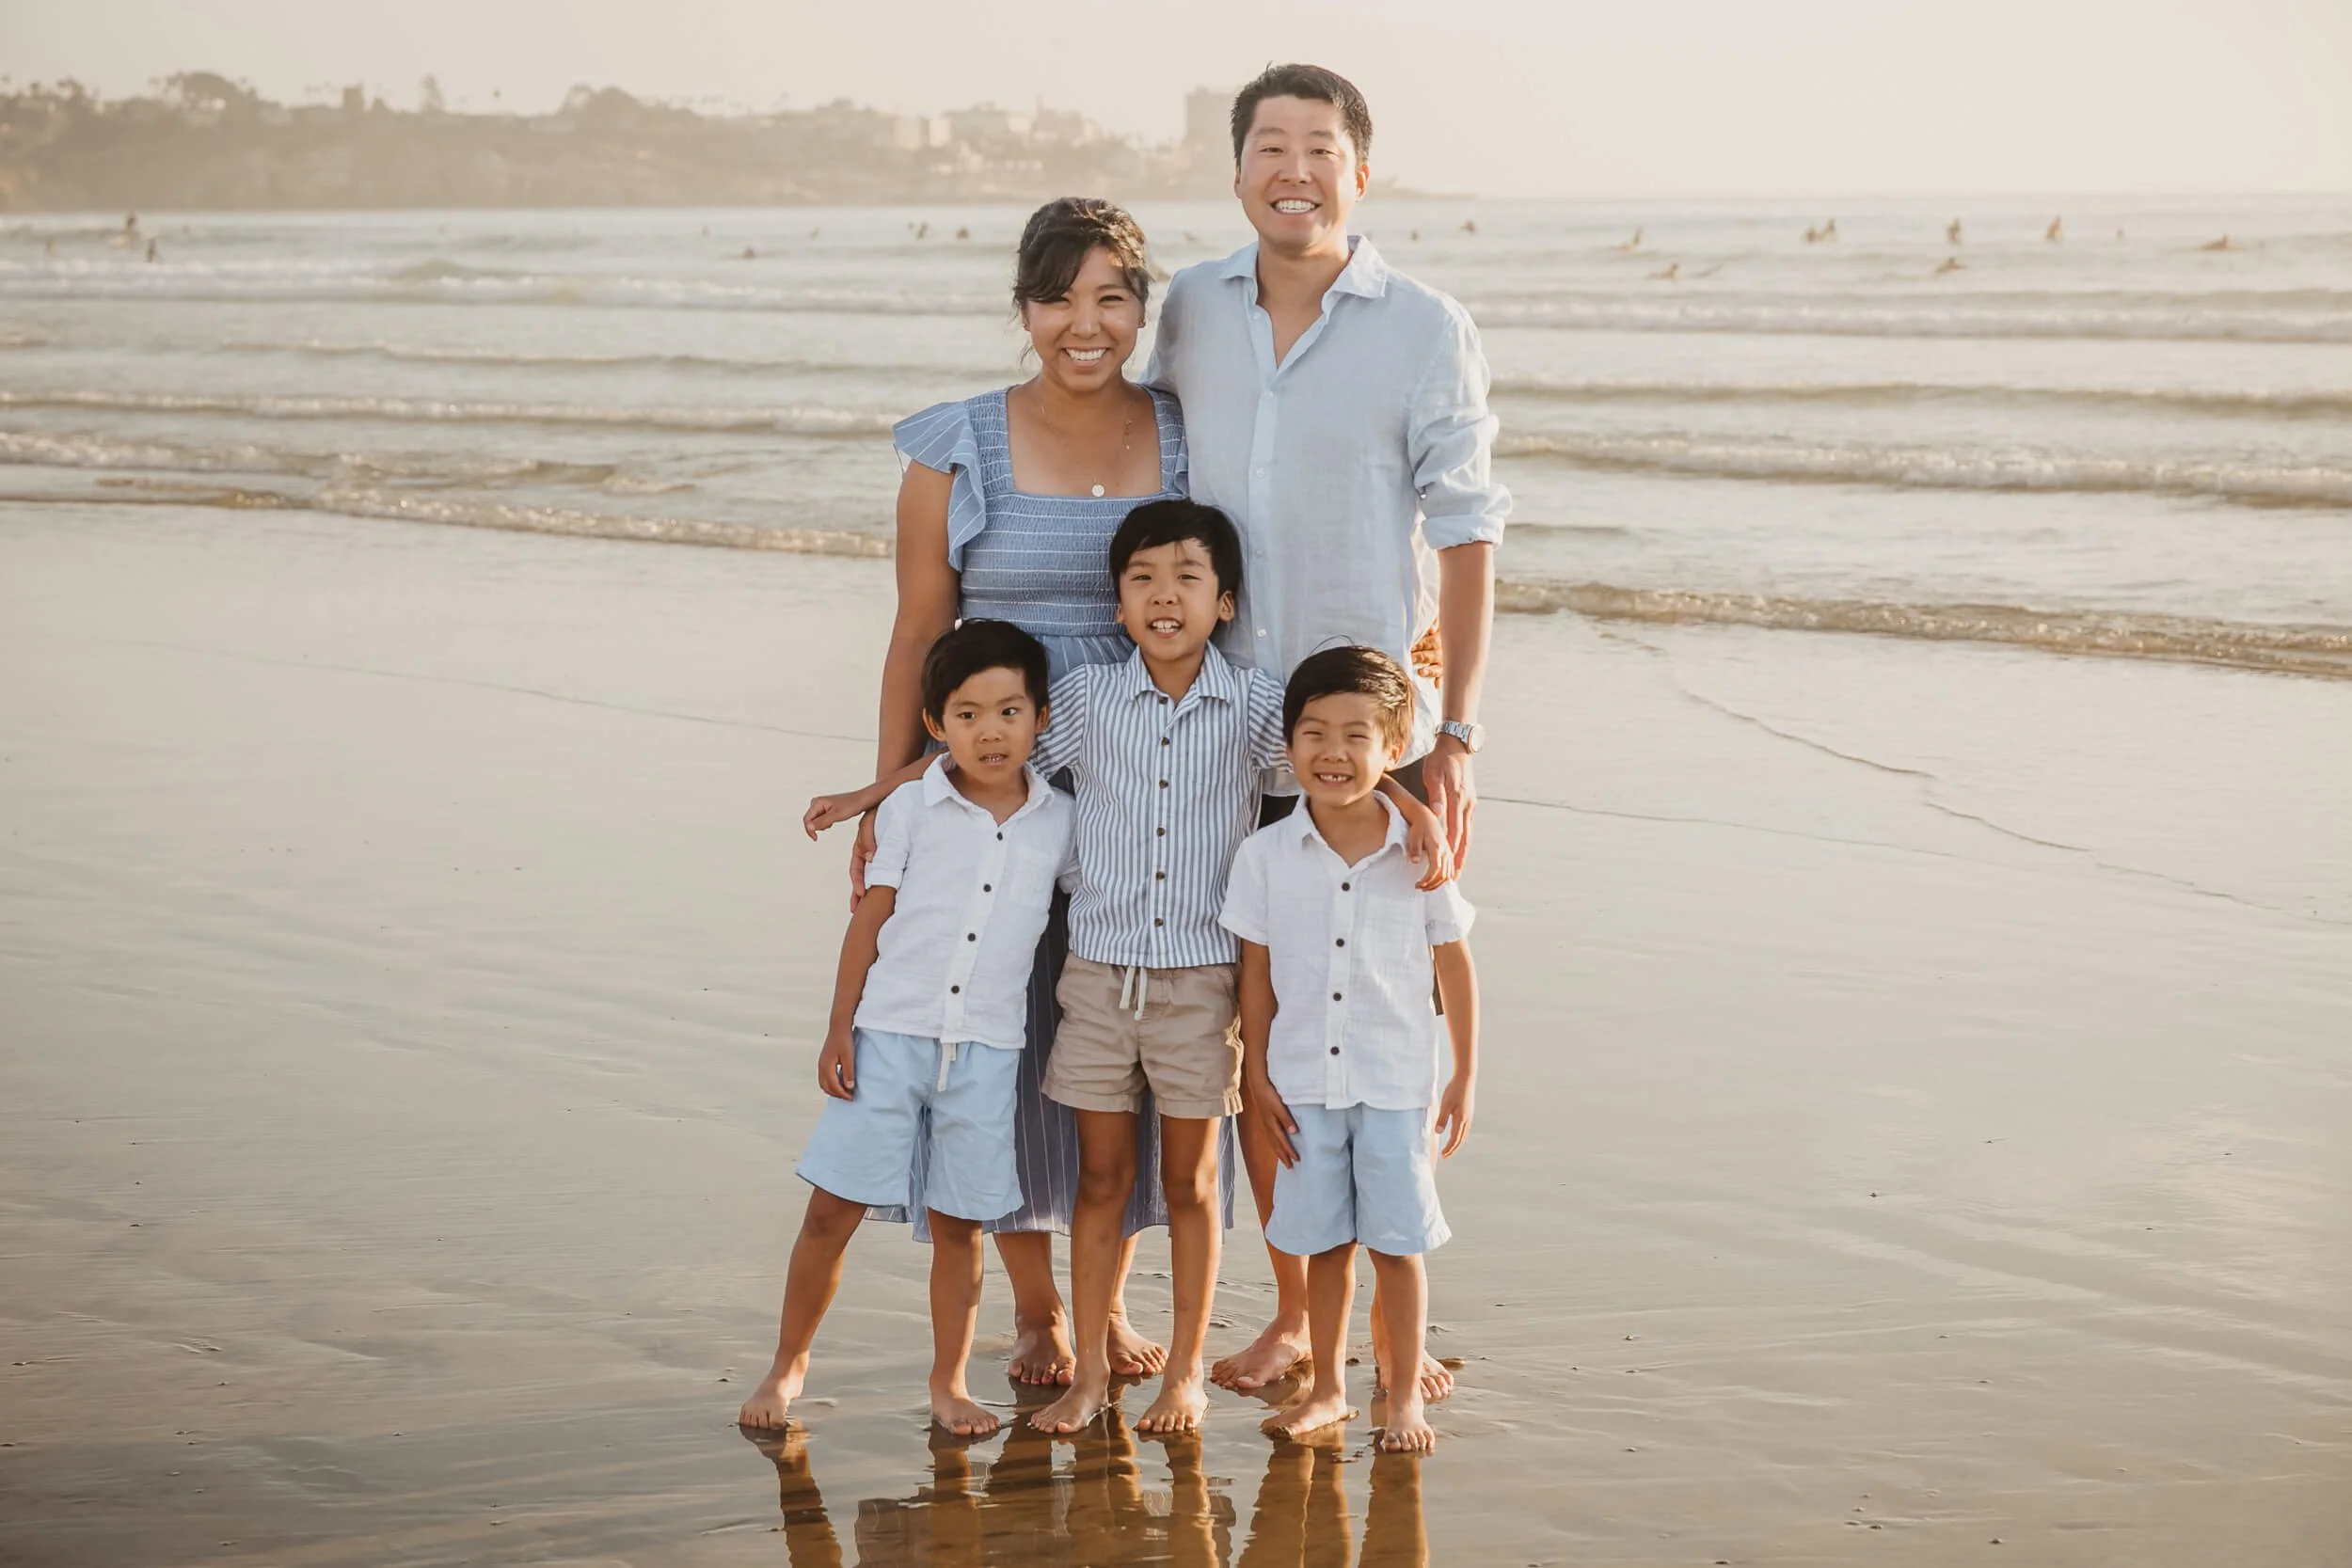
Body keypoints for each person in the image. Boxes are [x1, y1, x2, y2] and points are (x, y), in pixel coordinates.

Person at [812, 502, 1447, 1436]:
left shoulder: (1256, 705)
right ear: (1117, 604)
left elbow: (1336, 754)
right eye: (1143, 578)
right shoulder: (1082, 702)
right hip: (1098, 974)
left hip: (1201, 980)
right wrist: (874, 793)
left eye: (1187, 578)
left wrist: (1409, 802)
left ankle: (1182, 1374)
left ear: (1222, 601)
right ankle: (1091, 1374)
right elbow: (981, 758)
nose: (1164, 595)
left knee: (1192, 1184)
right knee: (1098, 1181)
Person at [1146, 62, 1506, 1400]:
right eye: (1267, 146)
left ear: (1361, 169)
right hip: (1218, 718)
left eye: (1319, 147)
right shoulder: (1188, 308)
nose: (1293, 168)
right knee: (1259, 1019)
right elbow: (1148, 475)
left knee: (1378, 1006)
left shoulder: (1424, 324)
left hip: (1374, 730)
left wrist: (1456, 732)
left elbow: (1469, 531)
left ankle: (1397, 1309)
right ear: (1238, 167)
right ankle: (1296, 1312)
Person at [843, 197, 1212, 1388]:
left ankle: (1108, 1300)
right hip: (991, 800)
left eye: (1112, 296)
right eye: (1058, 296)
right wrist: (896, 791)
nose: (1084, 322)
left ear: (1142, 309)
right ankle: (1042, 1308)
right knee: (993, 1041)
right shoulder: (954, 444)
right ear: (1024, 310)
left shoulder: (1185, 429)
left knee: (1125, 1055)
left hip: (1142, 798)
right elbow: (916, 633)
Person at [737, 621, 1074, 1437]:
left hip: (988, 1050)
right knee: (831, 1209)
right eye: (965, 714)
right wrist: (838, 1028)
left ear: (1039, 718)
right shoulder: (912, 809)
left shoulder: (1060, 820)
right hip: (890, 1033)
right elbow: (870, 919)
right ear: (936, 726)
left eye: (1008, 711)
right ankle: (787, 1365)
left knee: (961, 1228)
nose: (989, 731)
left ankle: (949, 1382)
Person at [1222, 647, 1480, 1453]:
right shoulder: (1265, 854)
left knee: (1398, 1247)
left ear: (1394, 741)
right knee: (1324, 1246)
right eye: (1313, 733)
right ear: (1288, 744)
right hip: (1301, 1083)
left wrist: (1466, 1072)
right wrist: (1254, 1073)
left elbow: (1454, 963)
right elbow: (1254, 977)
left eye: (1355, 735)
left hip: (1398, 1081)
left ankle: (1403, 1396)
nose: (1333, 752)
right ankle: (1329, 1387)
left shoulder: (1418, 853)